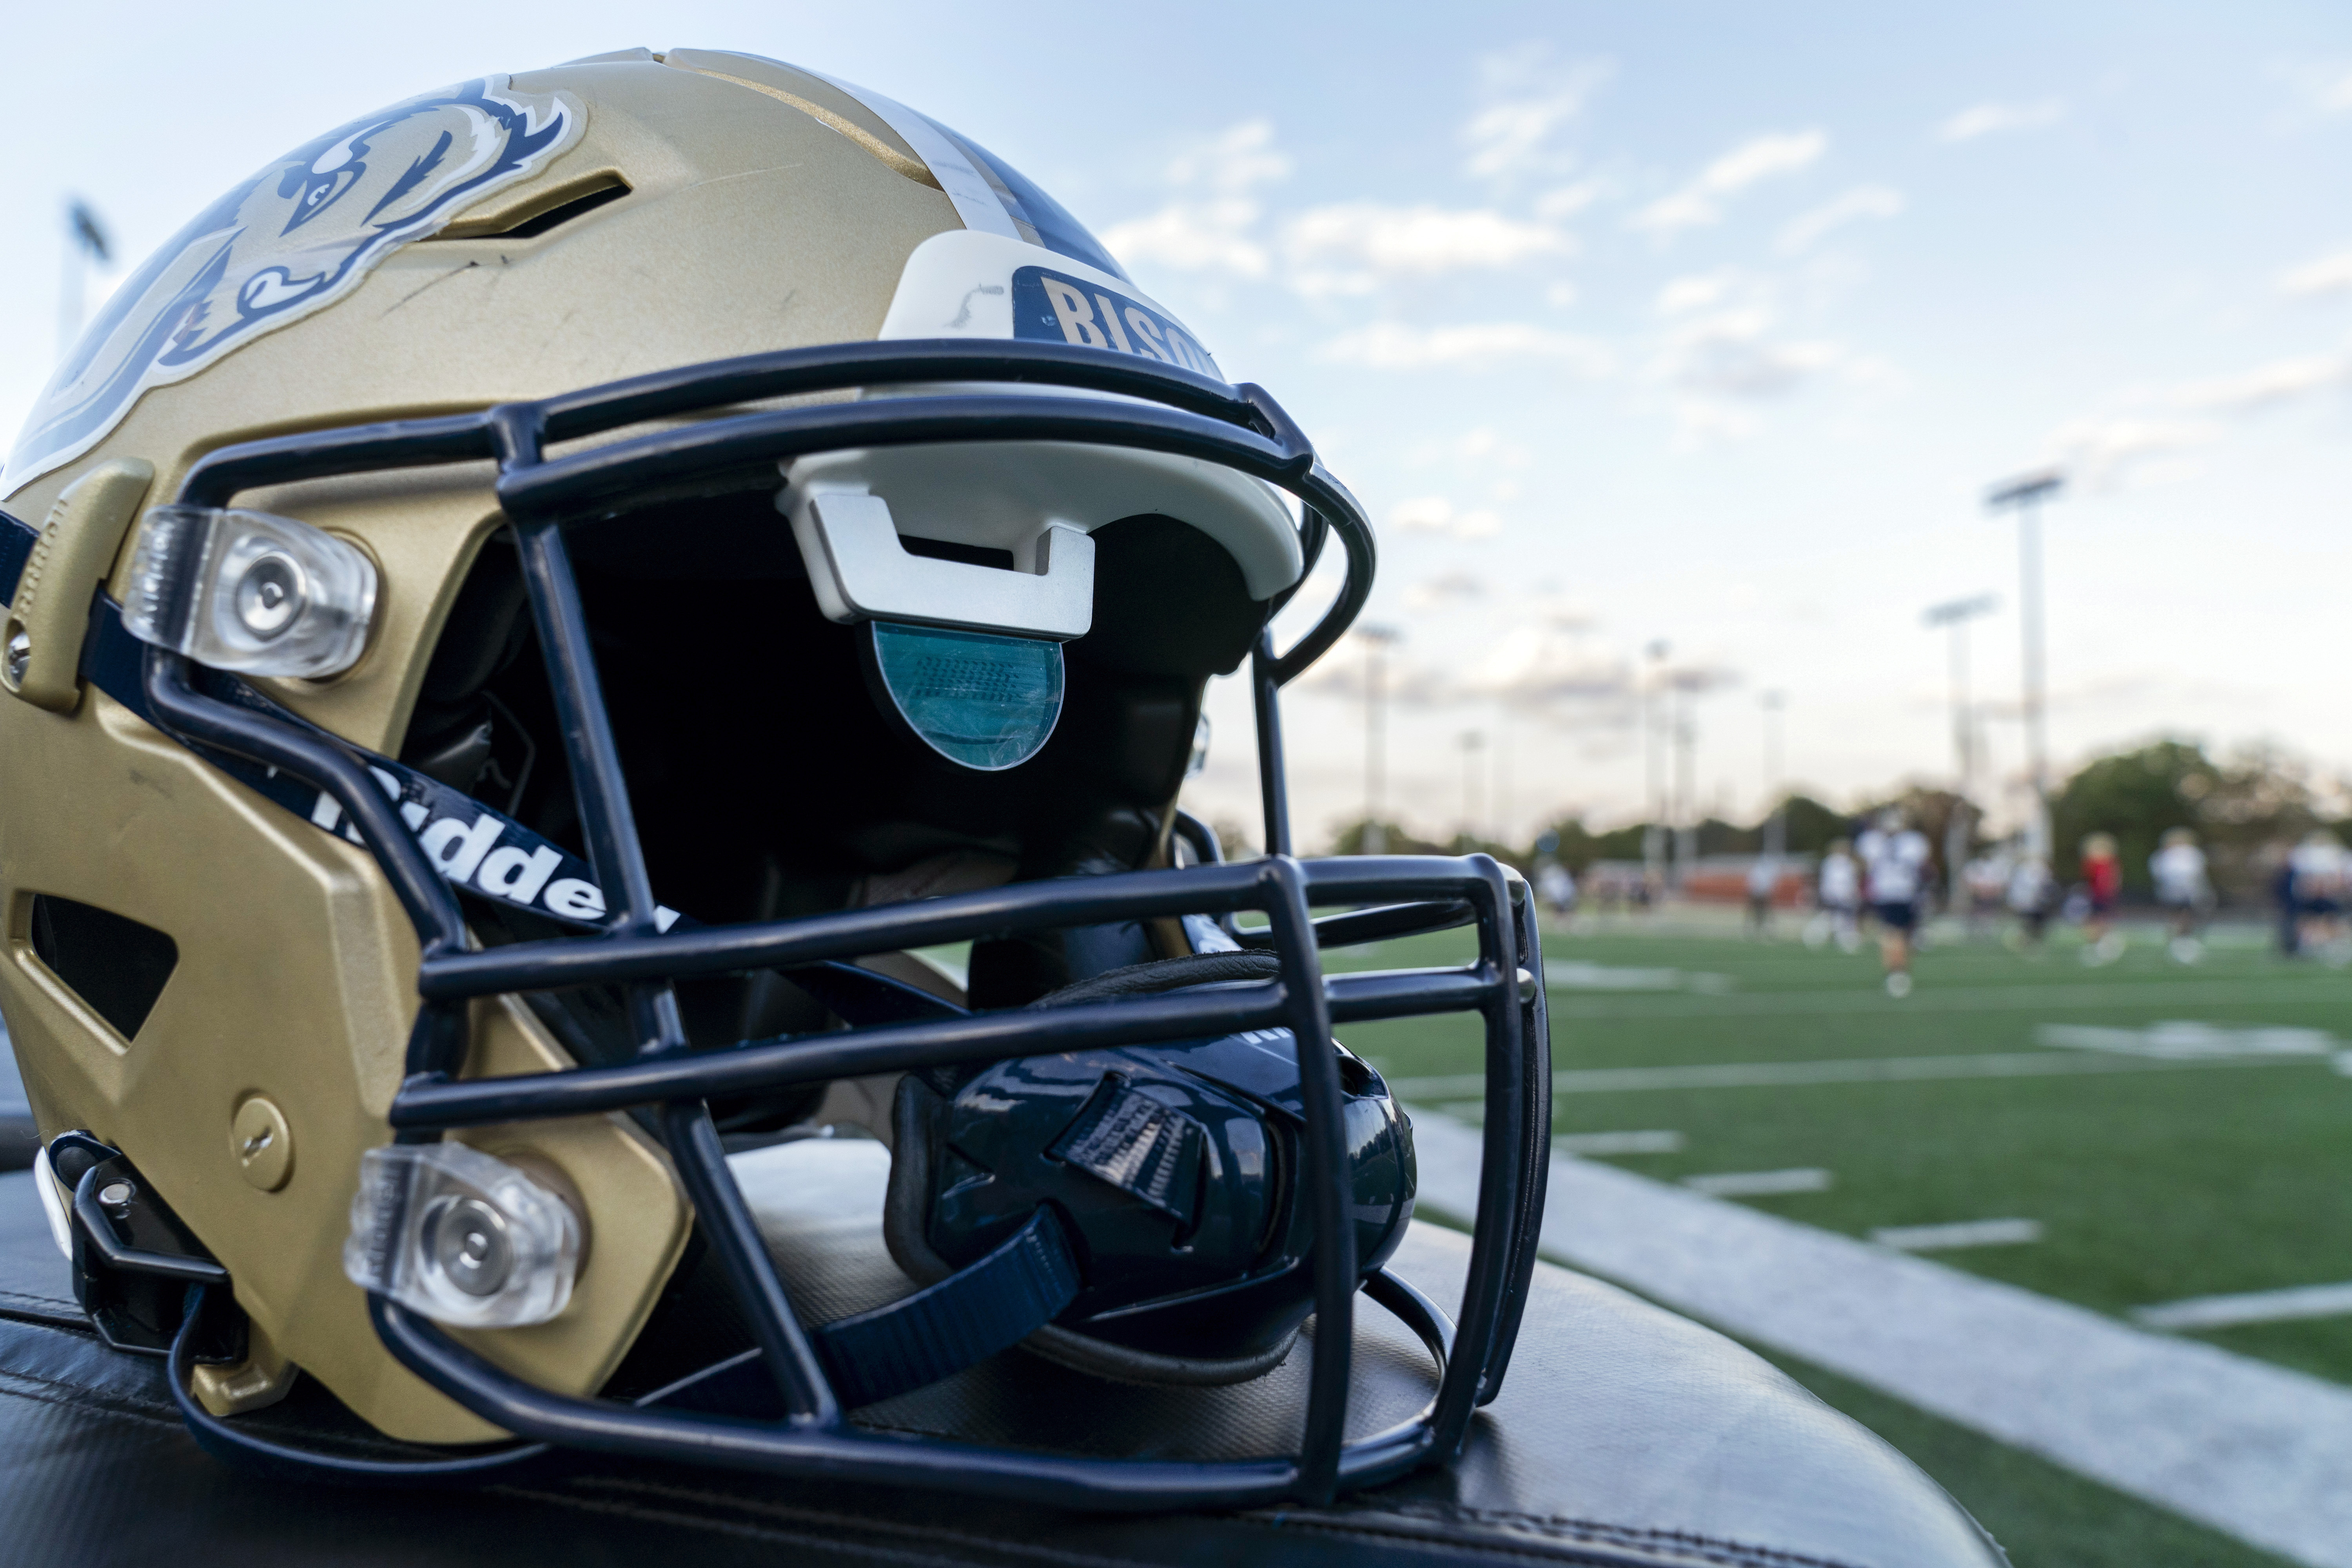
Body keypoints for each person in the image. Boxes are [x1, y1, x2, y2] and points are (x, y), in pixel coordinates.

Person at [1856, 809, 1930, 996]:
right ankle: (1897, 973)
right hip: (1894, 893)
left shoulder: (1873, 842)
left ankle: (1898, 971)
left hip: (1901, 893)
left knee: (1902, 937)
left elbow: (1863, 866)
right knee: (1893, 934)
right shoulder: (1913, 842)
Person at [2149, 826, 2213, 963]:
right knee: (2175, 919)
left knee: (2188, 918)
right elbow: (2160, 874)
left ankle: (2186, 942)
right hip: (2172, 893)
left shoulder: (2192, 854)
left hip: (2189, 893)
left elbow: (2197, 873)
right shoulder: (2164, 856)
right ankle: (2176, 943)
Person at [2292, 830, 2350, 958]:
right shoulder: (2304, 854)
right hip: (2311, 896)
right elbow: (2301, 880)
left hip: (2327, 895)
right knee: (2308, 921)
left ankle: (2325, 946)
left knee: (2330, 921)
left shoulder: (2334, 853)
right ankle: (2306, 946)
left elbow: (2338, 878)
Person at [1809, 837, 1862, 953]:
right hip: (1839, 895)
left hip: (1837, 895)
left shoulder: (1833, 862)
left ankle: (1842, 939)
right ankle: (1819, 937)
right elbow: (1842, 880)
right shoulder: (1839, 862)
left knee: (1839, 919)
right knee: (1839, 919)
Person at [2078, 833, 2123, 964]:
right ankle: (2101, 944)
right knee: (2092, 922)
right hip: (2093, 896)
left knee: (2099, 921)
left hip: (2103, 896)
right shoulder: (2091, 864)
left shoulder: (2110, 864)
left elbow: (2112, 881)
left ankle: (2105, 944)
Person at [2007, 853, 2056, 951]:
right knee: (2029, 922)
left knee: (2038, 923)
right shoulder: (2023, 871)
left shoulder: (2043, 870)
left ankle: (2032, 941)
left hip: (2038, 902)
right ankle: (2025, 940)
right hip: (2027, 901)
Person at [1746, 855, 1778, 938]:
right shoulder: (1756, 870)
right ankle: (1753, 929)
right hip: (1757, 894)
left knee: (1766, 913)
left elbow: (1770, 884)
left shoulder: (1768, 871)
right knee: (1755, 913)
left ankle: (1767, 929)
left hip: (1765, 895)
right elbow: (1753, 883)